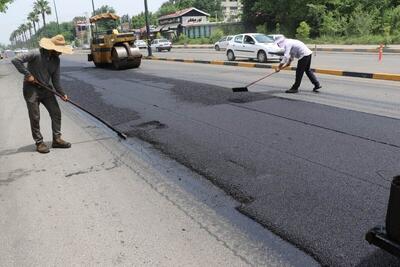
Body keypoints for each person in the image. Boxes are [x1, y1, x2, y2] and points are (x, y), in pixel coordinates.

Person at [12, 35, 73, 153]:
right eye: (59, 50)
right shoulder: (35, 53)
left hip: (46, 90)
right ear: (52, 48)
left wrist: (62, 93)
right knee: (35, 116)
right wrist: (27, 74)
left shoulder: (56, 60)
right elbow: (16, 60)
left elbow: (56, 80)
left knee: (56, 112)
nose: (60, 53)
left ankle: (57, 139)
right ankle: (39, 142)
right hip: (31, 89)